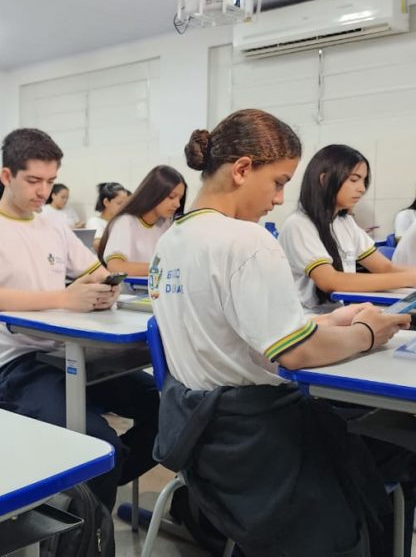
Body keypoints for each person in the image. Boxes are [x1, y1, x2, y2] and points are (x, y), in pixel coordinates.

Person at [151, 109, 414, 556]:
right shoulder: (246, 240)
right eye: (278, 182)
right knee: (392, 451)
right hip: (258, 442)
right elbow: (296, 354)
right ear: (241, 169)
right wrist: (369, 332)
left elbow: (232, 326)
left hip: (202, 433)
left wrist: (331, 321)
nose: (278, 199)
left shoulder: (172, 240)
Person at [0, 128, 159, 510]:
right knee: (102, 444)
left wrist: (105, 288)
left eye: (49, 181)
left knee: (166, 412)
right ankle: (87, 496)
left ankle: (85, 493)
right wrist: (65, 298)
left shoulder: (51, 224)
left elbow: (95, 271)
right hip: (19, 366)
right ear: (6, 177)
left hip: (75, 357)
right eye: (33, 181)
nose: (42, 192)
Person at [278, 145, 416, 310]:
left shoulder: (345, 223)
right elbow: (331, 281)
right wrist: (408, 278)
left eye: (363, 181)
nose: (362, 188)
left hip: (339, 313)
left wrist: (410, 276)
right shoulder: (299, 224)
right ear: (324, 180)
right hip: (308, 320)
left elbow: (384, 267)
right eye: (354, 179)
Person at [97, 166, 186, 276]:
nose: (177, 204)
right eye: (172, 197)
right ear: (154, 193)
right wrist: (164, 268)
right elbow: (116, 267)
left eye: (180, 198)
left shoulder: (166, 224)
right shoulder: (126, 222)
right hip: (132, 292)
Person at [86, 182, 129, 250]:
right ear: (106, 202)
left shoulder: (122, 221)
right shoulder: (95, 221)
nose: (123, 207)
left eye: (126, 203)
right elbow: (97, 245)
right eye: (119, 203)